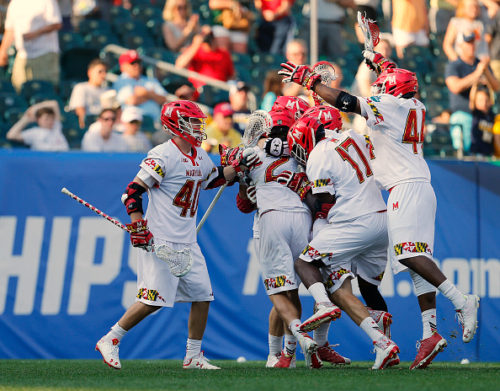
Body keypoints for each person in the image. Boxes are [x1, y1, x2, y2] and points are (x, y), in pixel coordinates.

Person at [278, 50, 481, 369]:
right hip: (417, 187)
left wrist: (312, 82)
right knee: (415, 266)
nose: (379, 92)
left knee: (407, 255)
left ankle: (461, 299)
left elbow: (345, 101)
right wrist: (382, 63)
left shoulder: (390, 104)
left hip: (404, 189)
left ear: (394, 92)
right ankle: (430, 333)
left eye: (385, 87)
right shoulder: (415, 104)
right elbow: (398, 84)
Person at [95, 100, 262, 370]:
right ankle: (111, 338)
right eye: (193, 122)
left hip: (187, 240)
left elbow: (213, 178)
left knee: (202, 295)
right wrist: (138, 224)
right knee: (152, 300)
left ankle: (193, 356)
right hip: (161, 237)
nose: (199, 127)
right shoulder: (163, 154)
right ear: (176, 124)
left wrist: (240, 166)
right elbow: (132, 192)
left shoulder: (199, 154)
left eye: (199, 122)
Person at [280, 112, 398, 370]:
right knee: (366, 288)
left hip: (355, 222)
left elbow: (324, 204)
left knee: (304, 262)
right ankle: (383, 339)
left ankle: (323, 305)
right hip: (382, 218)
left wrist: (302, 189)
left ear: (307, 139)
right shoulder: (351, 136)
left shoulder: (318, 155)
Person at [445, 32, 500, 153]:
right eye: (467, 43)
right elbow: (455, 87)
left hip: (484, 117)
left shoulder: (481, 64)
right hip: (464, 113)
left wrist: (486, 72)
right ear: (460, 45)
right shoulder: (454, 66)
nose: (471, 46)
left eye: (472, 43)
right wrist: (477, 74)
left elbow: (496, 87)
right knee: (468, 150)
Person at [0, 0, 62, 92]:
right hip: (22, 54)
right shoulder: (15, 3)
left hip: (45, 53)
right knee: (18, 88)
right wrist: (3, 51)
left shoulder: (47, 1)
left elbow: (56, 23)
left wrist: (35, 33)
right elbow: (10, 30)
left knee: (44, 89)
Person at [113, 50, 168, 121]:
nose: (137, 66)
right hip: (133, 122)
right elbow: (132, 101)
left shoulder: (150, 80)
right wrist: (152, 95)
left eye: (138, 63)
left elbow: (163, 99)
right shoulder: (121, 80)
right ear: (123, 67)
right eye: (132, 63)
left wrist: (145, 93)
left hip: (154, 121)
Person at [175, 25, 235, 90]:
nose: (210, 39)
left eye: (211, 36)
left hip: (219, 91)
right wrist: (196, 44)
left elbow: (231, 76)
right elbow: (179, 66)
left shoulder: (224, 54)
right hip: (199, 91)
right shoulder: (195, 50)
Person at [68, 59, 109, 129]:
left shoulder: (109, 90)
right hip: (89, 124)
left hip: (107, 124)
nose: (103, 75)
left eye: (105, 71)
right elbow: (79, 111)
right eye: (100, 72)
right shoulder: (81, 87)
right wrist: (83, 129)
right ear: (90, 72)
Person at [469, 84, 500, 156]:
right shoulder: (476, 114)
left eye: (486, 100)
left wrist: (488, 84)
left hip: (489, 152)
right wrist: (475, 84)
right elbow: (472, 99)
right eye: (480, 100)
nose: (484, 103)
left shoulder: (492, 116)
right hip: (476, 151)